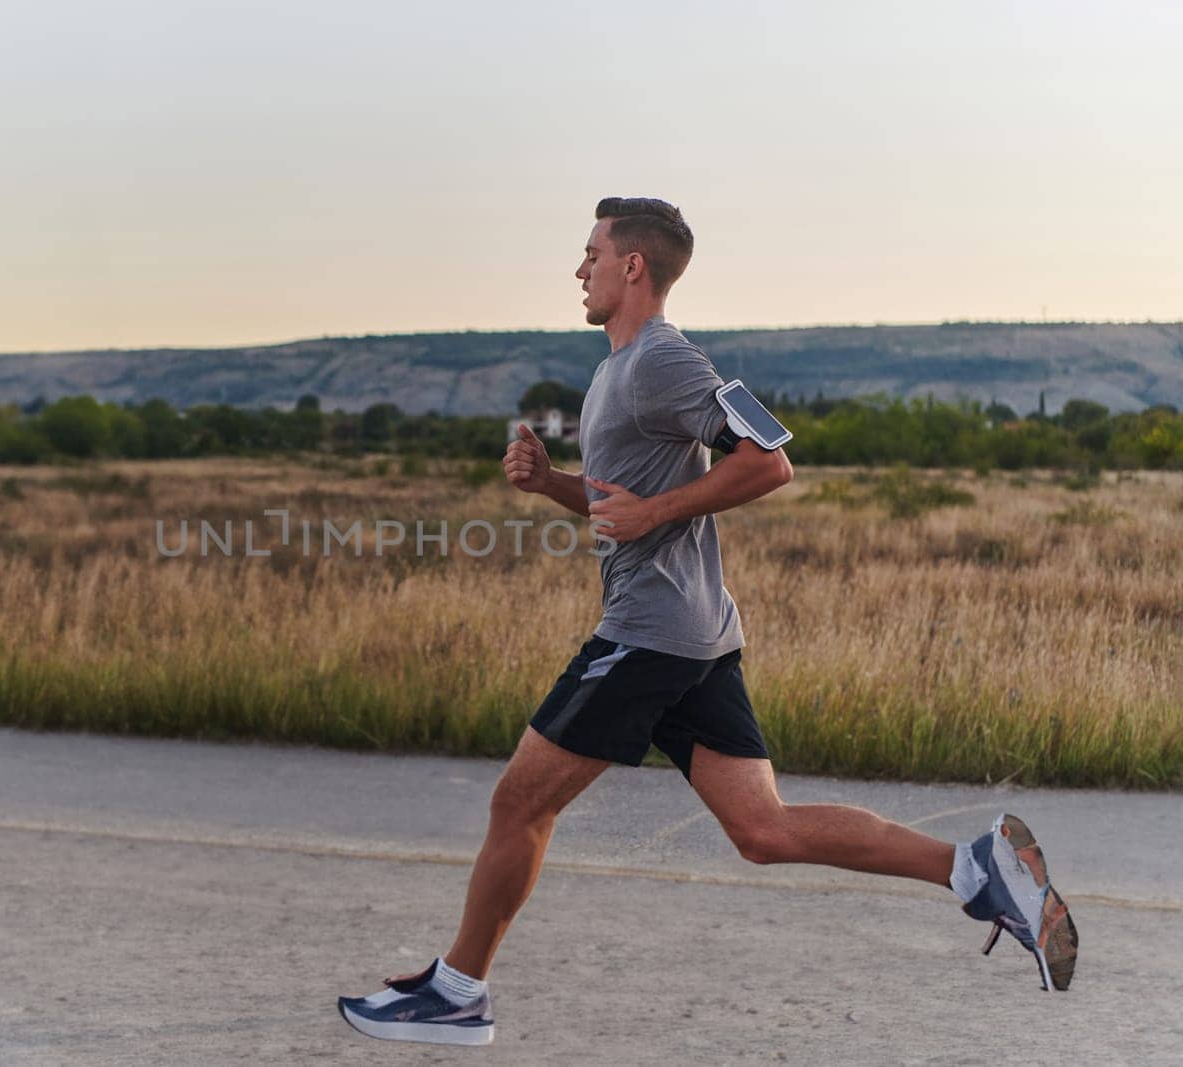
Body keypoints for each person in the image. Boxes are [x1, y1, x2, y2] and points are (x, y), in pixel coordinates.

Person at [337, 197, 1078, 1046]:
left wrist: (656, 516)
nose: (578, 268)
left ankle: (457, 992)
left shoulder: (662, 360)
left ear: (632, 268)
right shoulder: (616, 367)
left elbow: (770, 463)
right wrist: (554, 485)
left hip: (651, 634)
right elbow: (623, 502)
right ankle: (975, 868)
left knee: (517, 803)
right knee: (763, 830)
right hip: (694, 633)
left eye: (590, 253)